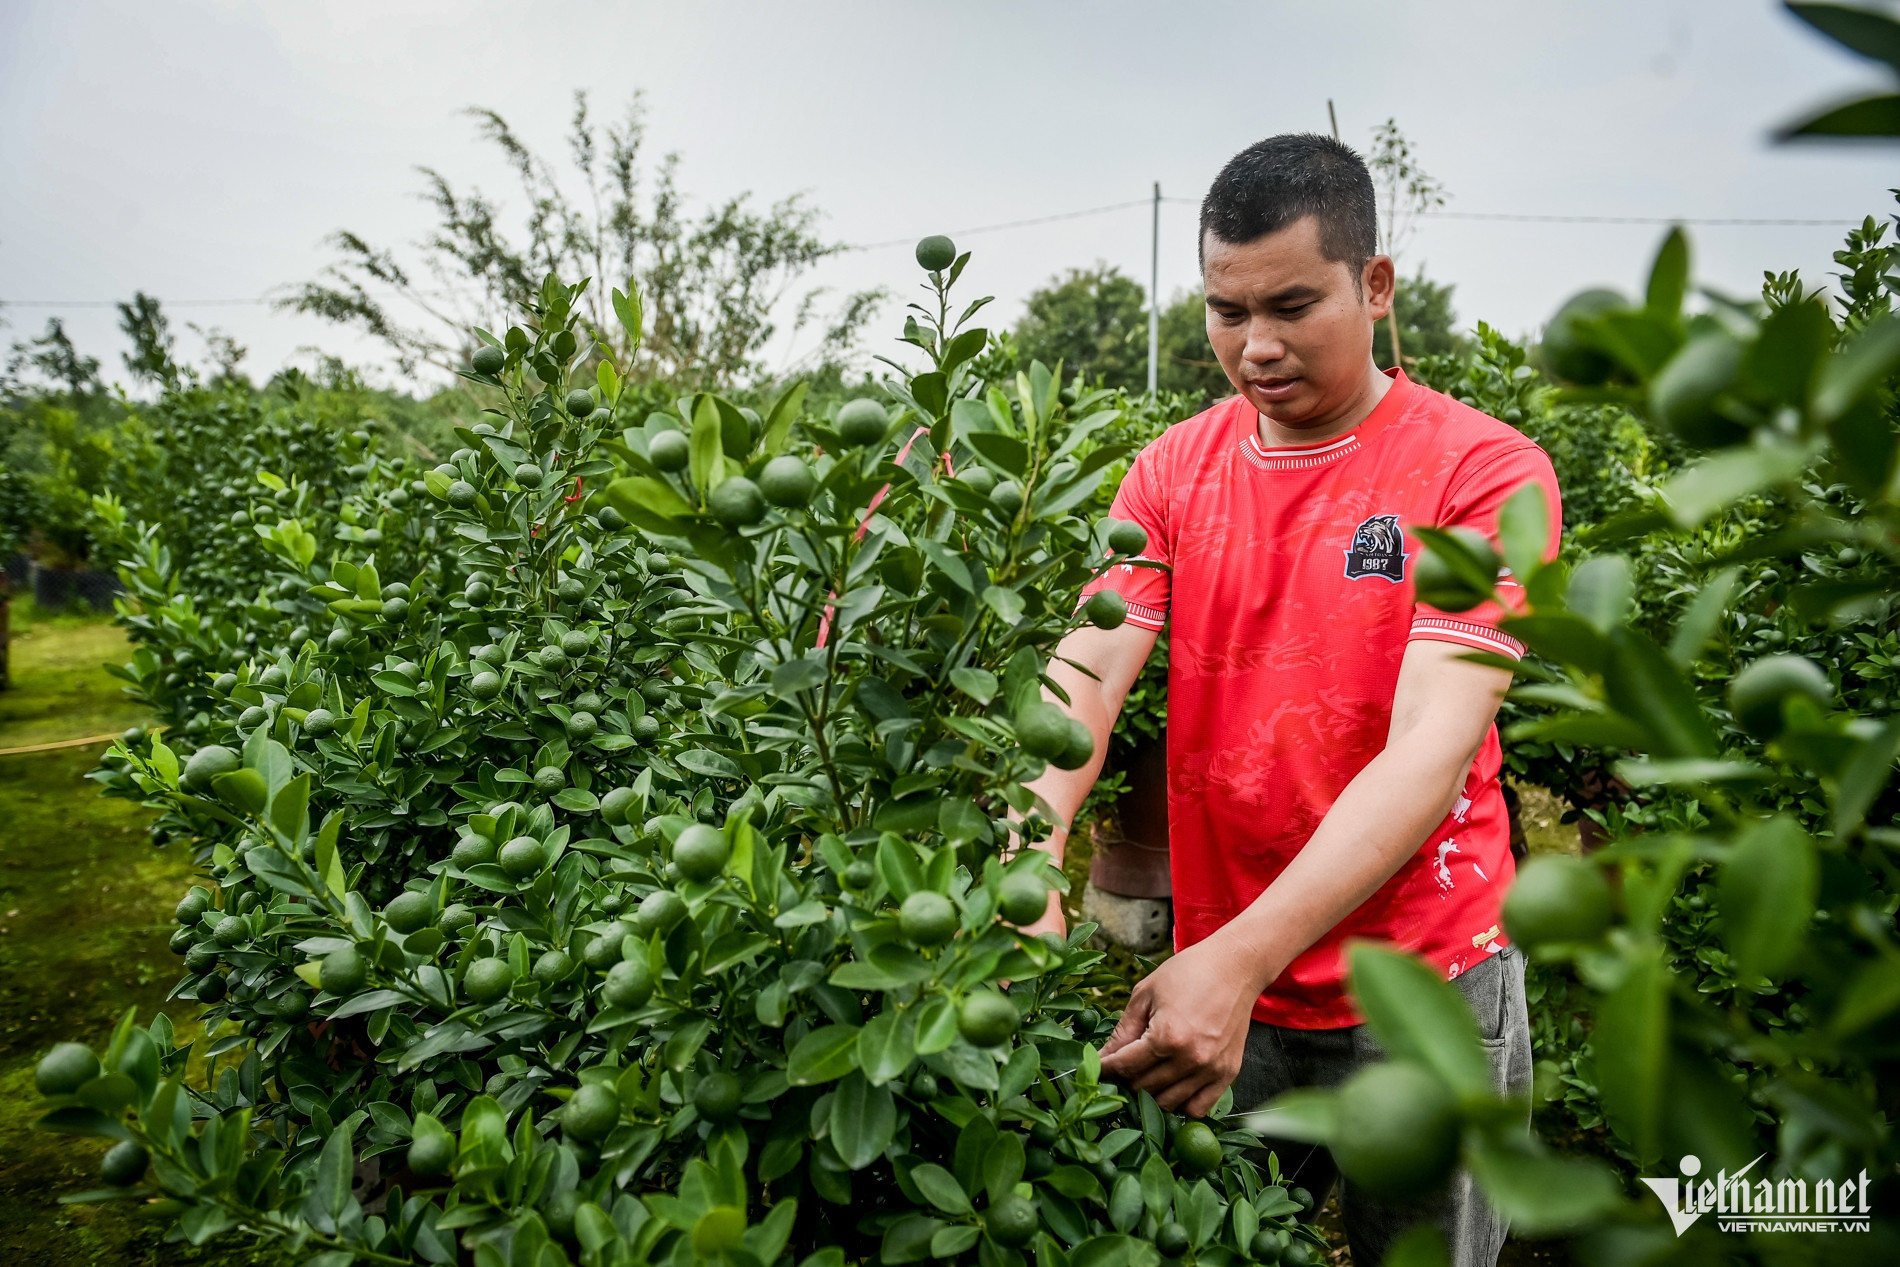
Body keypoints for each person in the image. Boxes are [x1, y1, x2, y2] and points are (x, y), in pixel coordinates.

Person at [1019, 134, 1560, 1267]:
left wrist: (1235, 959)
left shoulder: (1483, 471)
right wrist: (1027, 843)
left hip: (1421, 982)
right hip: (1225, 979)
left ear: (1375, 285)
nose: (1255, 346)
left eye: (1291, 305)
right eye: (1226, 311)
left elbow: (1429, 747)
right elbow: (1085, 672)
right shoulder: (1170, 472)